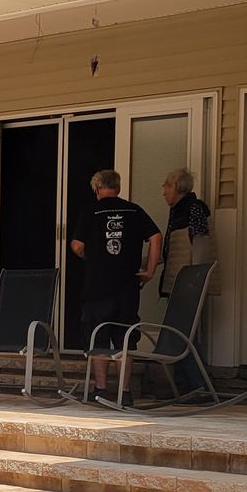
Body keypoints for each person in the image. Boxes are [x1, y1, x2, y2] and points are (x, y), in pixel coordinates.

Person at [69, 168, 162, 404]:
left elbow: (77, 245)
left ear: (96, 189)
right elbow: (156, 237)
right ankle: (124, 392)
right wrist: (150, 270)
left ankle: (100, 390)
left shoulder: (91, 210)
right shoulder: (133, 210)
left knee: (97, 335)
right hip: (127, 285)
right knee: (125, 337)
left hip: (97, 285)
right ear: (118, 188)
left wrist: (92, 257)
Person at [159, 167, 214, 397]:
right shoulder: (177, 212)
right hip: (178, 283)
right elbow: (171, 251)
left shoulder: (194, 209)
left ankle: (198, 387)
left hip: (188, 284)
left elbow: (200, 243)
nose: (164, 192)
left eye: (167, 186)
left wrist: (195, 279)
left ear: (178, 188)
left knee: (185, 335)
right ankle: (184, 388)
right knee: (179, 334)